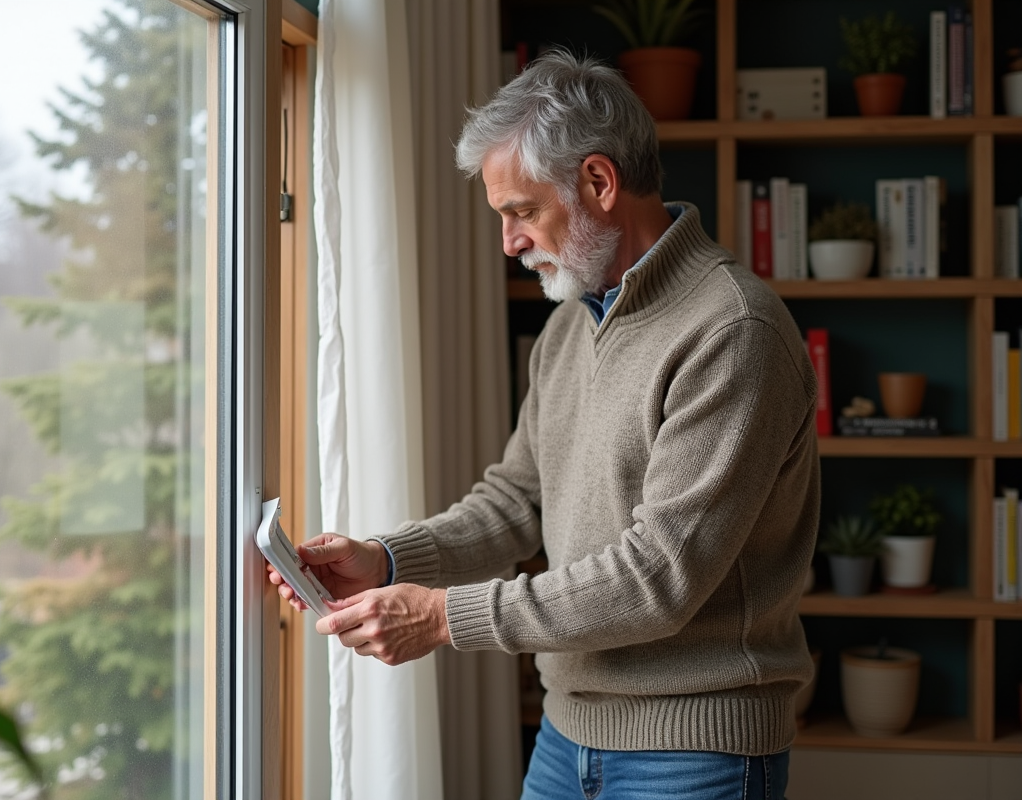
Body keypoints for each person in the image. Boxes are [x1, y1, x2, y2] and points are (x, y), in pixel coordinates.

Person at [268, 48, 819, 800]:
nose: (509, 242)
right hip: (568, 738)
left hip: (696, 752)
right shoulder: (572, 323)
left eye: (521, 212)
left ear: (598, 182)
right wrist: (387, 560)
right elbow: (516, 501)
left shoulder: (732, 329)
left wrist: (442, 618)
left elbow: (659, 577)